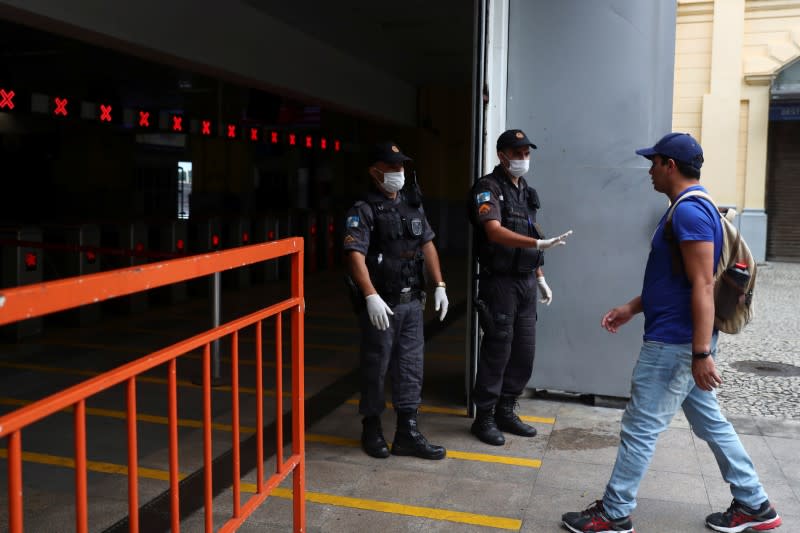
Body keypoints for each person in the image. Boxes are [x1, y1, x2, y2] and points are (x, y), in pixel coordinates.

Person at [562, 133, 781, 533]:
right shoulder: (685, 209)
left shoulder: (690, 213)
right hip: (682, 340)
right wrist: (632, 307)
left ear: (671, 166)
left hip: (676, 343)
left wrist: (700, 354)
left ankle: (614, 513)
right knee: (711, 423)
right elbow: (675, 281)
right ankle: (754, 503)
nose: (650, 169)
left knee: (640, 427)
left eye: (655, 161)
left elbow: (702, 285)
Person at [343, 141, 449, 460]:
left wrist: (440, 284)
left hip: (411, 301)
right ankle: (372, 427)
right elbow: (354, 255)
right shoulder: (363, 209)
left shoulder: (412, 203)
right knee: (376, 366)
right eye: (391, 168)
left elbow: (427, 244)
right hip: (382, 304)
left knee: (411, 366)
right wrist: (370, 295)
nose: (398, 173)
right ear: (375, 171)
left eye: (401, 167)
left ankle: (407, 431)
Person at [468, 129, 572, 446]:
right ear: (502, 155)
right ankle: (484, 417)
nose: (523, 159)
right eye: (517, 153)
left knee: (523, 351)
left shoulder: (526, 191)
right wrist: (538, 242)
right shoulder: (488, 188)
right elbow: (495, 232)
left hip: (526, 281)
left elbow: (528, 229)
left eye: (527, 153)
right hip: (499, 281)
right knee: (498, 349)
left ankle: (506, 409)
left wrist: (539, 276)